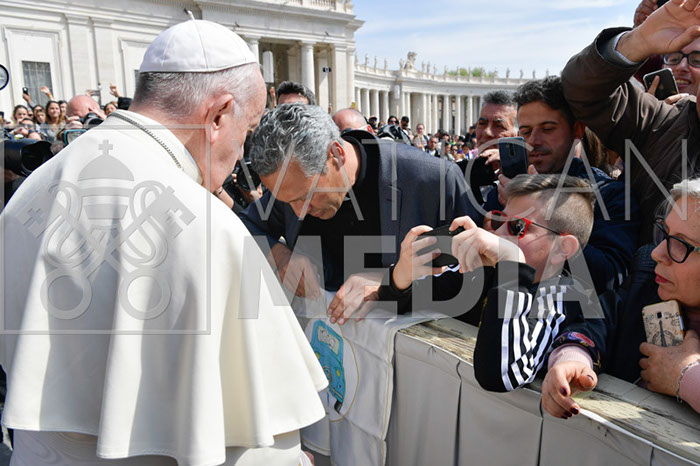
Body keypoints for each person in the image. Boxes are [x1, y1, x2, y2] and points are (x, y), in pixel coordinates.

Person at [0, 19, 326, 465]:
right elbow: (258, 444)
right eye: (247, 131)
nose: (240, 154)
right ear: (219, 115)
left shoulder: (30, 191)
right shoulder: (212, 230)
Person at [240, 103, 475, 324]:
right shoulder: (291, 182)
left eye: (306, 196)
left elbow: (473, 277)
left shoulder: (436, 180)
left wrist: (391, 282)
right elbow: (242, 224)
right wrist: (281, 256)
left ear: (337, 155)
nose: (299, 211)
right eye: (287, 201)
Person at [382, 175, 599, 392]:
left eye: (517, 227)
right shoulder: (484, 270)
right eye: (498, 220)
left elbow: (502, 374)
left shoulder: (563, 295)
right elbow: (397, 302)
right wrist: (402, 274)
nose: (498, 233)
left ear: (562, 248)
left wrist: (512, 264)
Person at [542, 178, 700, 418]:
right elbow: (598, 322)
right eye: (664, 233)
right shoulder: (646, 282)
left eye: (681, 244)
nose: (658, 253)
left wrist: (684, 377)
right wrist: (573, 358)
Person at [561, 0, 700, 242]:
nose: (682, 67)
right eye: (673, 57)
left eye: (697, 59)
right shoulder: (659, 122)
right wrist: (639, 40)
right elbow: (581, 88)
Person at [484, 76, 640, 293]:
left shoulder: (609, 195)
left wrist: (540, 212)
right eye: (526, 132)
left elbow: (610, 276)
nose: (534, 141)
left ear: (577, 130)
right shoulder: (504, 191)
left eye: (548, 129)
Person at [473, 91, 517, 168]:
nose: (487, 132)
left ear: (518, 134)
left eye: (499, 126)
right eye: (482, 123)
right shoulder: (460, 172)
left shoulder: (531, 172)